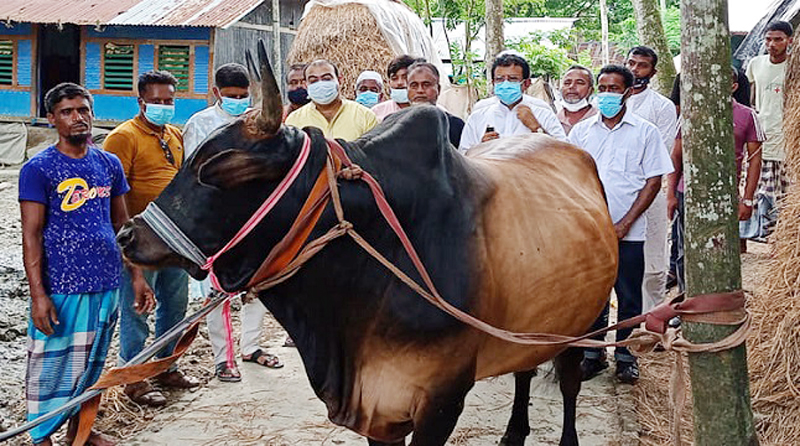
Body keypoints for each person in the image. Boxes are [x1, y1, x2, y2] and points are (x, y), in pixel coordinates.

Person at [20, 82, 155, 446]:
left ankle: (80, 432)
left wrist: (137, 276)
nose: (77, 118)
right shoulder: (39, 169)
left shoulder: (108, 164)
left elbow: (122, 226)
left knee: (91, 366)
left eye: (83, 110)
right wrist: (38, 296)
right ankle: (41, 436)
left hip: (107, 281)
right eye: (67, 112)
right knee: (51, 367)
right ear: (51, 119)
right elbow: (31, 235)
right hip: (63, 286)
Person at [568, 65, 673, 384]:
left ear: (627, 92)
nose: (607, 94)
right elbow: (569, 177)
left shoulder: (644, 131)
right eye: (602, 87)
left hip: (629, 232)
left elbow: (654, 181)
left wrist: (626, 223)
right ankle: (592, 354)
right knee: (591, 294)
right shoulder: (581, 133)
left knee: (628, 295)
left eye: (614, 88)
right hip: (589, 232)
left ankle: (625, 357)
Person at [183, 64, 283, 382]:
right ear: (216, 93)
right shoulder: (201, 124)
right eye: (231, 96)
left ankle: (251, 347)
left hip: (255, 218)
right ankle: (223, 359)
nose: (239, 101)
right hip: (218, 222)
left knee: (256, 288)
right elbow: (192, 175)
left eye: (243, 96)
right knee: (218, 293)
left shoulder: (258, 123)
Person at [104, 70, 198, 407]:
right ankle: (135, 378)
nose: (163, 106)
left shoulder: (175, 135)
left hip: (173, 241)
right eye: (156, 101)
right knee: (137, 309)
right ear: (140, 101)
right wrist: (131, 257)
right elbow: (116, 200)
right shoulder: (122, 137)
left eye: (169, 100)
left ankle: (166, 366)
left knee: (175, 306)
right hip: (138, 242)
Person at [667, 69, 764, 292]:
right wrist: (671, 194)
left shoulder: (747, 115)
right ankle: (684, 303)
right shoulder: (691, 113)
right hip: (687, 193)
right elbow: (676, 155)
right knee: (685, 251)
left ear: (733, 86)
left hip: (726, 197)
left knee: (722, 250)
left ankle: (721, 304)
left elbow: (755, 161)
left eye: (722, 83)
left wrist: (747, 200)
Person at [624, 46, 677, 315]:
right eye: (631, 63)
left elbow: (662, 151)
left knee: (653, 264)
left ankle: (653, 323)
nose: (635, 70)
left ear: (653, 72)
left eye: (642, 65)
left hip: (650, 191)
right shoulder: (606, 102)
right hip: (610, 194)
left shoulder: (662, 107)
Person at [459, 52, 567, 152]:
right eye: (500, 79)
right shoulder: (479, 116)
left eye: (513, 79)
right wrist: (481, 148)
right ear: (493, 82)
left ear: (526, 83)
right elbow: (463, 155)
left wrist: (537, 129)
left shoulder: (542, 113)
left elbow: (564, 153)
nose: (505, 84)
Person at [746, 20, 793, 240]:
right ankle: (750, 235)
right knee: (756, 188)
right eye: (768, 39)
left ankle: (780, 236)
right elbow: (749, 96)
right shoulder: (756, 64)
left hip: (787, 138)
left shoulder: (794, 67)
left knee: (784, 191)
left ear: (789, 41)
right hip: (760, 134)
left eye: (778, 40)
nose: (772, 44)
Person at [285, 59, 378, 140]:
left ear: (340, 80)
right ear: (306, 85)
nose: (321, 84)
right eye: (313, 80)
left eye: (326, 78)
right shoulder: (294, 121)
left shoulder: (365, 116)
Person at [407, 61, 465, 147]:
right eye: (414, 85)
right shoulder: (393, 125)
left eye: (426, 85)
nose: (420, 90)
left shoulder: (455, 126)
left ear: (438, 89)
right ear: (407, 90)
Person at [371, 55, 424, 121]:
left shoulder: (431, 111)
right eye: (394, 78)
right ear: (389, 82)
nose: (399, 83)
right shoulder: (377, 112)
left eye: (405, 77)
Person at [558, 65, 597, 134]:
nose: (571, 86)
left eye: (579, 83)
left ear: (591, 90)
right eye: (567, 83)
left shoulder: (600, 120)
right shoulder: (552, 120)